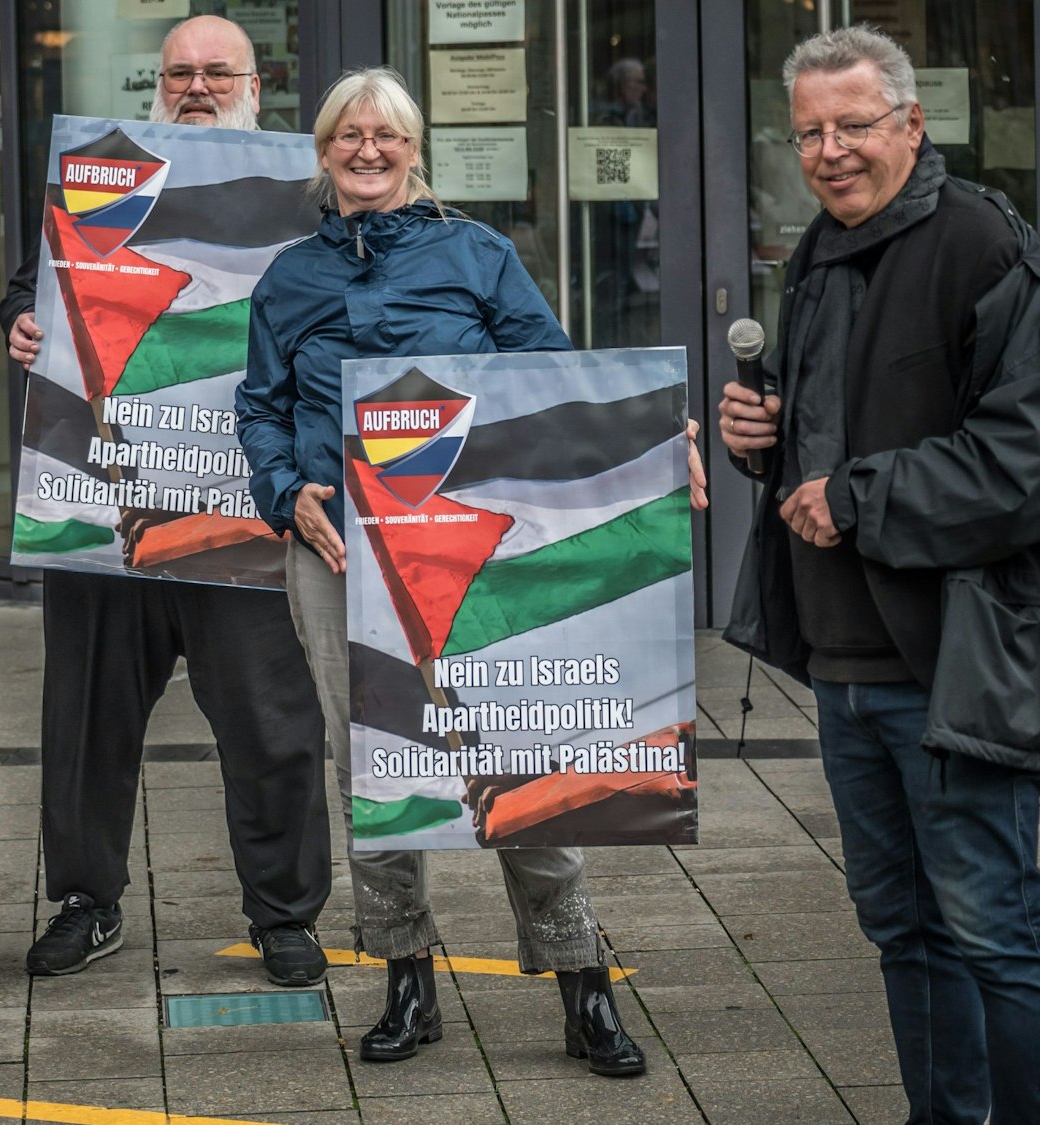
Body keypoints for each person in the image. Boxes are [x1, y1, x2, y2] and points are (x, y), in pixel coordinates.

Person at [236, 67, 705, 1073]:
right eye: (348, 135)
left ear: (415, 149)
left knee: (514, 748)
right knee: (373, 769)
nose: (367, 150)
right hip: (336, 552)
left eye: (387, 135)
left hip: (472, 552)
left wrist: (656, 444)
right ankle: (405, 977)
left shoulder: (478, 255)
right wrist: (285, 490)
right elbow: (260, 406)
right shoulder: (287, 278)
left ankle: (581, 978)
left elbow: (557, 386)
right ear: (323, 152)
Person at [717, 26, 1040, 1125]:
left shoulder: (982, 247)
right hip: (847, 664)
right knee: (902, 929)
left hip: (958, 658)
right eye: (808, 134)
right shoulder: (821, 252)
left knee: (993, 931)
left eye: (853, 125)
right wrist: (763, 437)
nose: (830, 151)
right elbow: (836, 436)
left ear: (912, 124)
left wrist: (856, 495)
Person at [0, 14, 333, 985]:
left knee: (271, 722)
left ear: (254, 86)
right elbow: (33, 289)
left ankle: (284, 915)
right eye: (181, 72)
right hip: (104, 503)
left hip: (243, 505)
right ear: (158, 83)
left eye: (217, 72)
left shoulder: (304, 193)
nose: (196, 86)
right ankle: (85, 900)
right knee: (86, 720)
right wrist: (22, 321)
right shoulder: (100, 175)